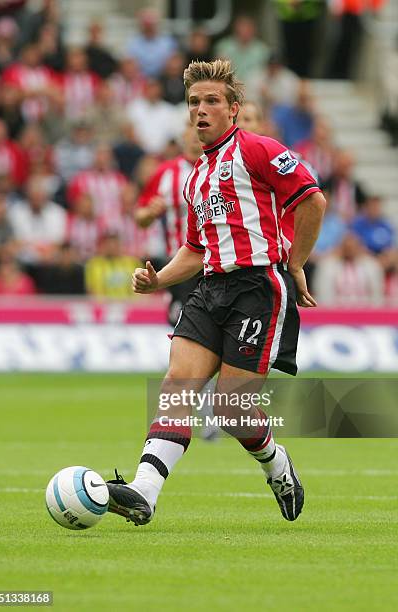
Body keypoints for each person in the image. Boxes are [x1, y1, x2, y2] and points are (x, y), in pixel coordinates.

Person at [106, 59, 326, 526]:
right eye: (193, 102)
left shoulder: (259, 150)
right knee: (176, 386)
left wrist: (295, 263)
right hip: (209, 288)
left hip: (257, 288)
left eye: (211, 101)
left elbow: (312, 199)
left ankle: (277, 465)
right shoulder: (195, 178)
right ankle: (144, 491)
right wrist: (158, 280)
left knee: (232, 408)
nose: (200, 110)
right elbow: (193, 247)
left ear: (233, 109)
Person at [135, 122, 203, 324]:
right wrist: (149, 213)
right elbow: (140, 217)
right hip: (179, 263)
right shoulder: (166, 172)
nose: (194, 134)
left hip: (215, 264)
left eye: (199, 129)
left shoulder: (219, 168)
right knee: (182, 325)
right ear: (183, 134)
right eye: (190, 129)